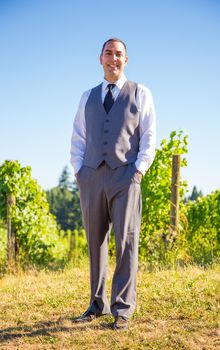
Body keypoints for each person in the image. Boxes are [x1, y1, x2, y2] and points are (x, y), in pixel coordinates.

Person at [70, 38, 156, 330]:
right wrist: (79, 171)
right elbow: (78, 137)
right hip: (91, 175)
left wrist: (139, 170)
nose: (114, 59)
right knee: (95, 242)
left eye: (119, 54)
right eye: (109, 53)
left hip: (125, 175)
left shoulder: (140, 93)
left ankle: (123, 308)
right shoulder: (87, 96)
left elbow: (149, 137)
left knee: (126, 243)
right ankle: (96, 305)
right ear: (100, 59)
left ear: (126, 60)